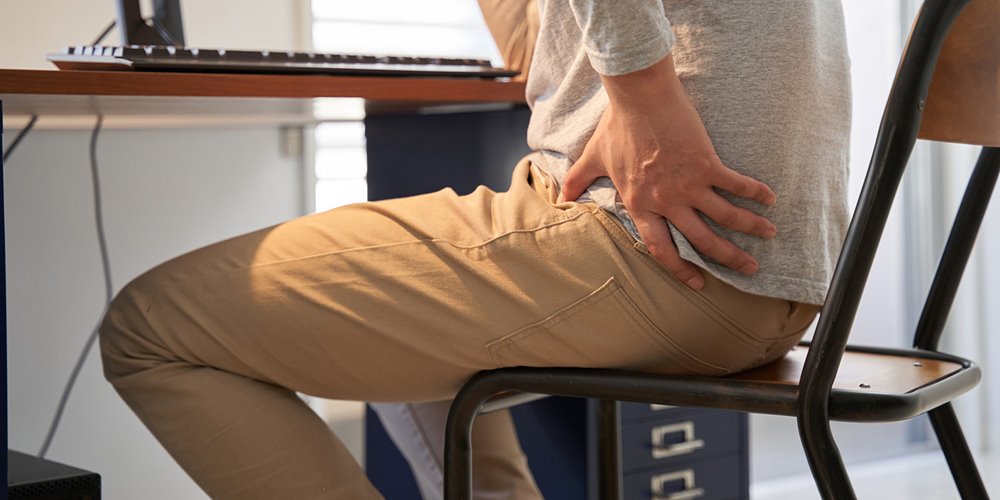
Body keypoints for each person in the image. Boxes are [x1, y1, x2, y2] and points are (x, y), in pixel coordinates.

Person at [99, 0, 851, 498]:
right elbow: (538, 51)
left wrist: (647, 97)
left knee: (151, 330)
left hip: (657, 245)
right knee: (387, 306)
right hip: (776, 282)